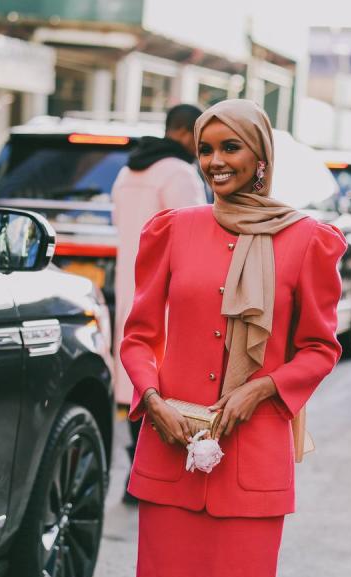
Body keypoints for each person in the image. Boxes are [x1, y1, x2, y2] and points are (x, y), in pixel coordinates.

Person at [120, 99, 346, 577]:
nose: (215, 161)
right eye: (205, 149)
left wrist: (261, 389)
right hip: (168, 454)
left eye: (230, 147)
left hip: (252, 466)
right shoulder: (172, 230)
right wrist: (152, 400)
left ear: (261, 158)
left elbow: (320, 347)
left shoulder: (307, 240)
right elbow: (139, 337)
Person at [111, 103, 207, 503]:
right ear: (185, 132)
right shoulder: (181, 174)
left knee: (135, 372)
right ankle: (153, 471)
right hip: (169, 290)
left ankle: (135, 469)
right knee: (167, 375)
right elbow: (198, 235)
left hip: (130, 285)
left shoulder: (127, 170)